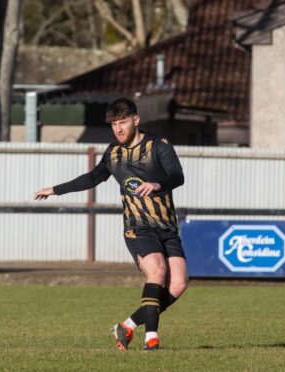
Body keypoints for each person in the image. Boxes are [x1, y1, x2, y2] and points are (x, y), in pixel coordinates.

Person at [34, 97, 188, 351]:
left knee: (179, 283)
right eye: (114, 124)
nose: (118, 129)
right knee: (157, 272)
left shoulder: (159, 146)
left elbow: (177, 175)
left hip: (167, 227)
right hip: (137, 227)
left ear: (135, 120)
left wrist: (158, 184)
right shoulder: (113, 153)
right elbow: (93, 178)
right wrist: (55, 189)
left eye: (122, 122)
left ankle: (127, 325)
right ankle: (152, 340)